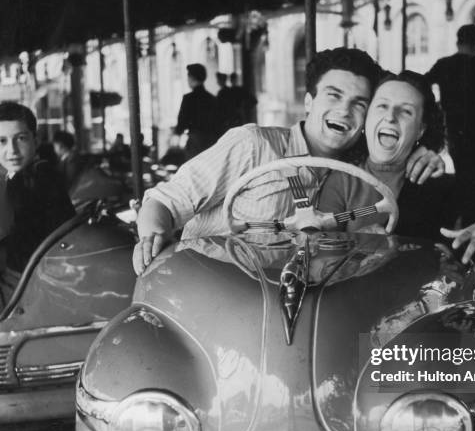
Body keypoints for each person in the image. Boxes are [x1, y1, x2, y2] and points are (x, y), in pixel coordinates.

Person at [133, 47, 445, 275]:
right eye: (333, 96)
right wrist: (151, 239)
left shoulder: (355, 171)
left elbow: (394, 149)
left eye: (359, 104)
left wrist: (424, 150)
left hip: (283, 306)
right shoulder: (254, 145)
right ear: (309, 102)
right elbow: (164, 202)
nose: (344, 111)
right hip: (210, 285)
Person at [318, 71, 475, 273]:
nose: (391, 117)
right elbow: (319, 256)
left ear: (420, 129)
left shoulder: (435, 182)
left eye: (406, 111)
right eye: (382, 106)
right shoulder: (342, 179)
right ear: (367, 118)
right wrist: (354, 244)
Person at [0, 102, 75, 303]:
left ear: (36, 139)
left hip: (27, 283)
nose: (12, 150)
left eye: (21, 138)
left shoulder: (37, 178)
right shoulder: (24, 176)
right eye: (2, 141)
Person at [426, 24, 475, 226]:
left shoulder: (444, 64)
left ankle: (458, 213)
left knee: (461, 170)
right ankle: (474, 218)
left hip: (452, 124)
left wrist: (436, 107)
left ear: (458, 42)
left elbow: (424, 82)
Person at [175, 63, 219, 158]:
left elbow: (182, 122)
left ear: (191, 77)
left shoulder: (188, 98)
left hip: (195, 142)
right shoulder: (212, 99)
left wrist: (177, 134)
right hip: (211, 142)